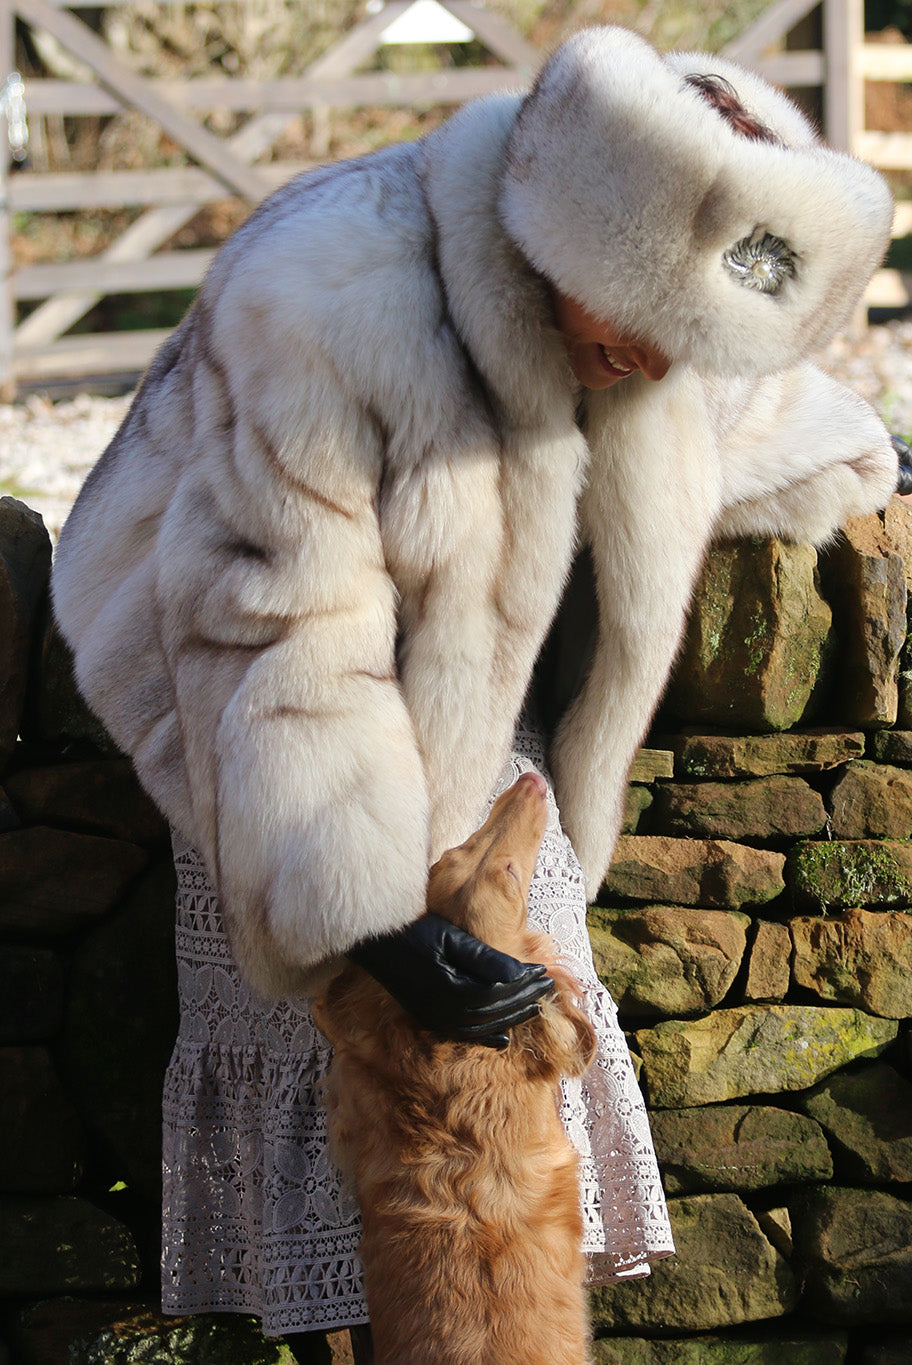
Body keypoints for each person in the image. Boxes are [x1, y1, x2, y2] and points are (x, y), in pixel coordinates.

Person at [52, 25, 906, 1362]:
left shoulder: (630, 301)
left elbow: (740, 410)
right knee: (332, 1054)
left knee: (513, 1077)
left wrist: (869, 451)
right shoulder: (333, 302)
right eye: (650, 325)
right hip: (237, 701)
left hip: (450, 678)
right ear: (576, 241)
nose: (664, 367)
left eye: (695, 340)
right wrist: (365, 915)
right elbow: (261, 628)